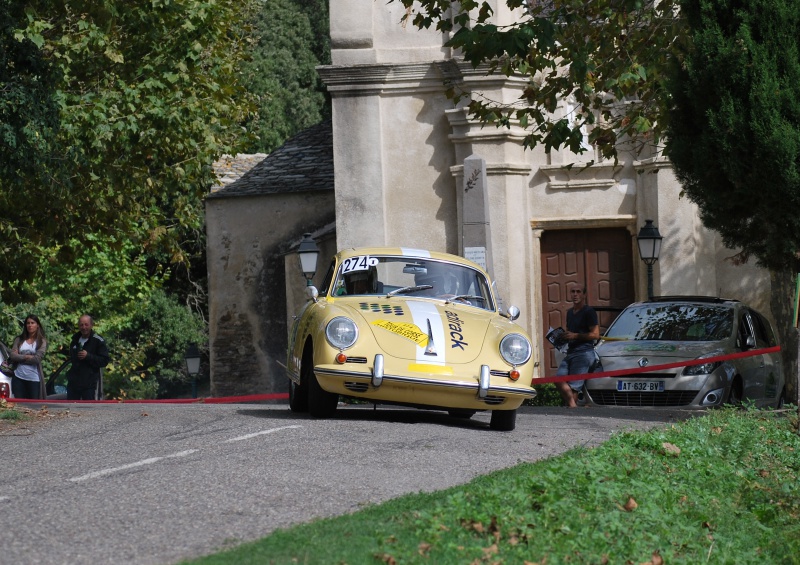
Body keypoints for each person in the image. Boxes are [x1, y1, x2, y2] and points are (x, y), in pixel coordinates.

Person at [555, 286, 600, 408]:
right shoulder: (570, 312)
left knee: (574, 387)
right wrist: (563, 336)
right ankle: (572, 406)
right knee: (558, 379)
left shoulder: (588, 312)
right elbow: (570, 331)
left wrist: (575, 336)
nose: (575, 294)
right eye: (573, 291)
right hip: (571, 352)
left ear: (584, 295)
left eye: (578, 292)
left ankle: (571, 409)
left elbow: (595, 334)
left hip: (584, 353)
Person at [67, 314, 110, 400]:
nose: (84, 327)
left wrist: (88, 356)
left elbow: (104, 360)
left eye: (86, 324)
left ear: (91, 325)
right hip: (74, 384)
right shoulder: (75, 340)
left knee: (88, 410)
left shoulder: (98, 341)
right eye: (81, 325)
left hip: (89, 385)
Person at [9, 315, 48, 399]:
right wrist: (26, 356)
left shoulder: (42, 341)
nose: (30, 325)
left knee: (33, 406)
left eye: (32, 323)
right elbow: (12, 356)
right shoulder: (19, 339)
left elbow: (37, 359)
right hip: (18, 377)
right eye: (28, 323)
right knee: (19, 406)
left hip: (34, 378)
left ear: (37, 325)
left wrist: (19, 356)